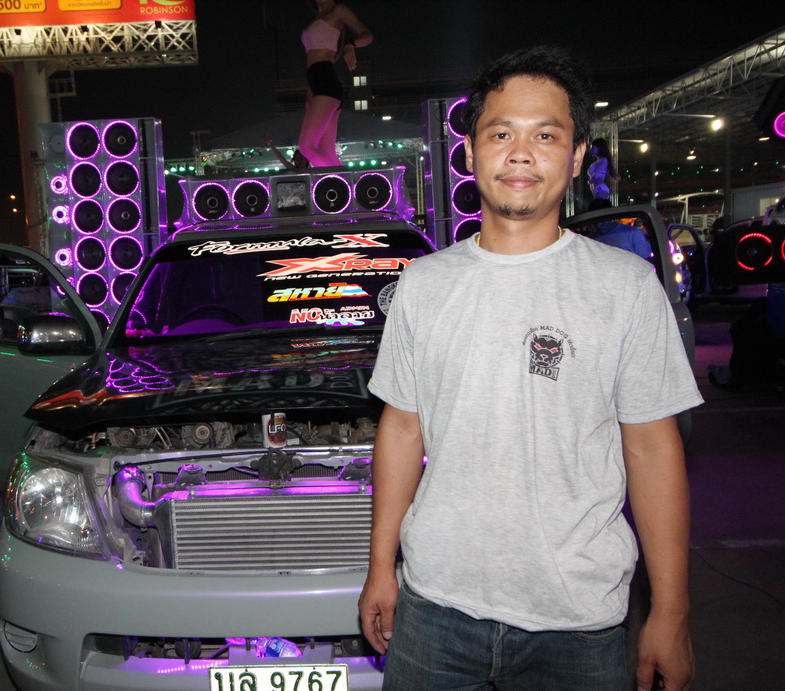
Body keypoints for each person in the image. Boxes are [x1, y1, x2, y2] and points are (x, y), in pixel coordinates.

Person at [358, 46, 702, 691]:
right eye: (501, 134)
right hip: (436, 607)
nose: (521, 154)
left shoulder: (626, 287)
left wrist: (671, 610)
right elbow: (402, 429)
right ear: (469, 152)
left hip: (578, 620)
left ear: (575, 156)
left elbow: (653, 448)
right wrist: (381, 566)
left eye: (546, 135)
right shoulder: (423, 284)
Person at [298, 0, 371, 167]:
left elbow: (367, 35)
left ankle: (338, 181)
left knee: (306, 147)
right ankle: (344, 182)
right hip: (317, 82)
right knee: (327, 151)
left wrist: (350, 44)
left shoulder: (338, 11)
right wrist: (310, 88)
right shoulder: (318, 18)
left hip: (325, 80)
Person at [588, 136, 619, 210]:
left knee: (598, 210)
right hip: (597, 189)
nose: (591, 150)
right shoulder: (599, 161)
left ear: (599, 148)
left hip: (600, 188)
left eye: (593, 148)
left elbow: (596, 176)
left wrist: (589, 181)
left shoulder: (604, 160)